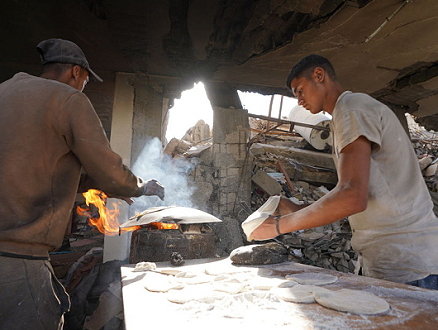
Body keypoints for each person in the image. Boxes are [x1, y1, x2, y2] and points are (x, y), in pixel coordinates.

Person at [0, 39, 165, 330]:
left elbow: (37, 168)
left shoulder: (5, 91)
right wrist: (139, 186)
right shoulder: (66, 99)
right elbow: (108, 170)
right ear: (76, 72)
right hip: (16, 256)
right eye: (86, 80)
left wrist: (105, 188)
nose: (83, 86)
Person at [251, 54, 438, 290]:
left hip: (409, 265)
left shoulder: (352, 109)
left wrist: (279, 226)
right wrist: (298, 209)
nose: (299, 101)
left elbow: (352, 196)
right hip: (397, 262)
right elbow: (354, 195)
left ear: (319, 75)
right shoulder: (348, 113)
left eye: (299, 91)